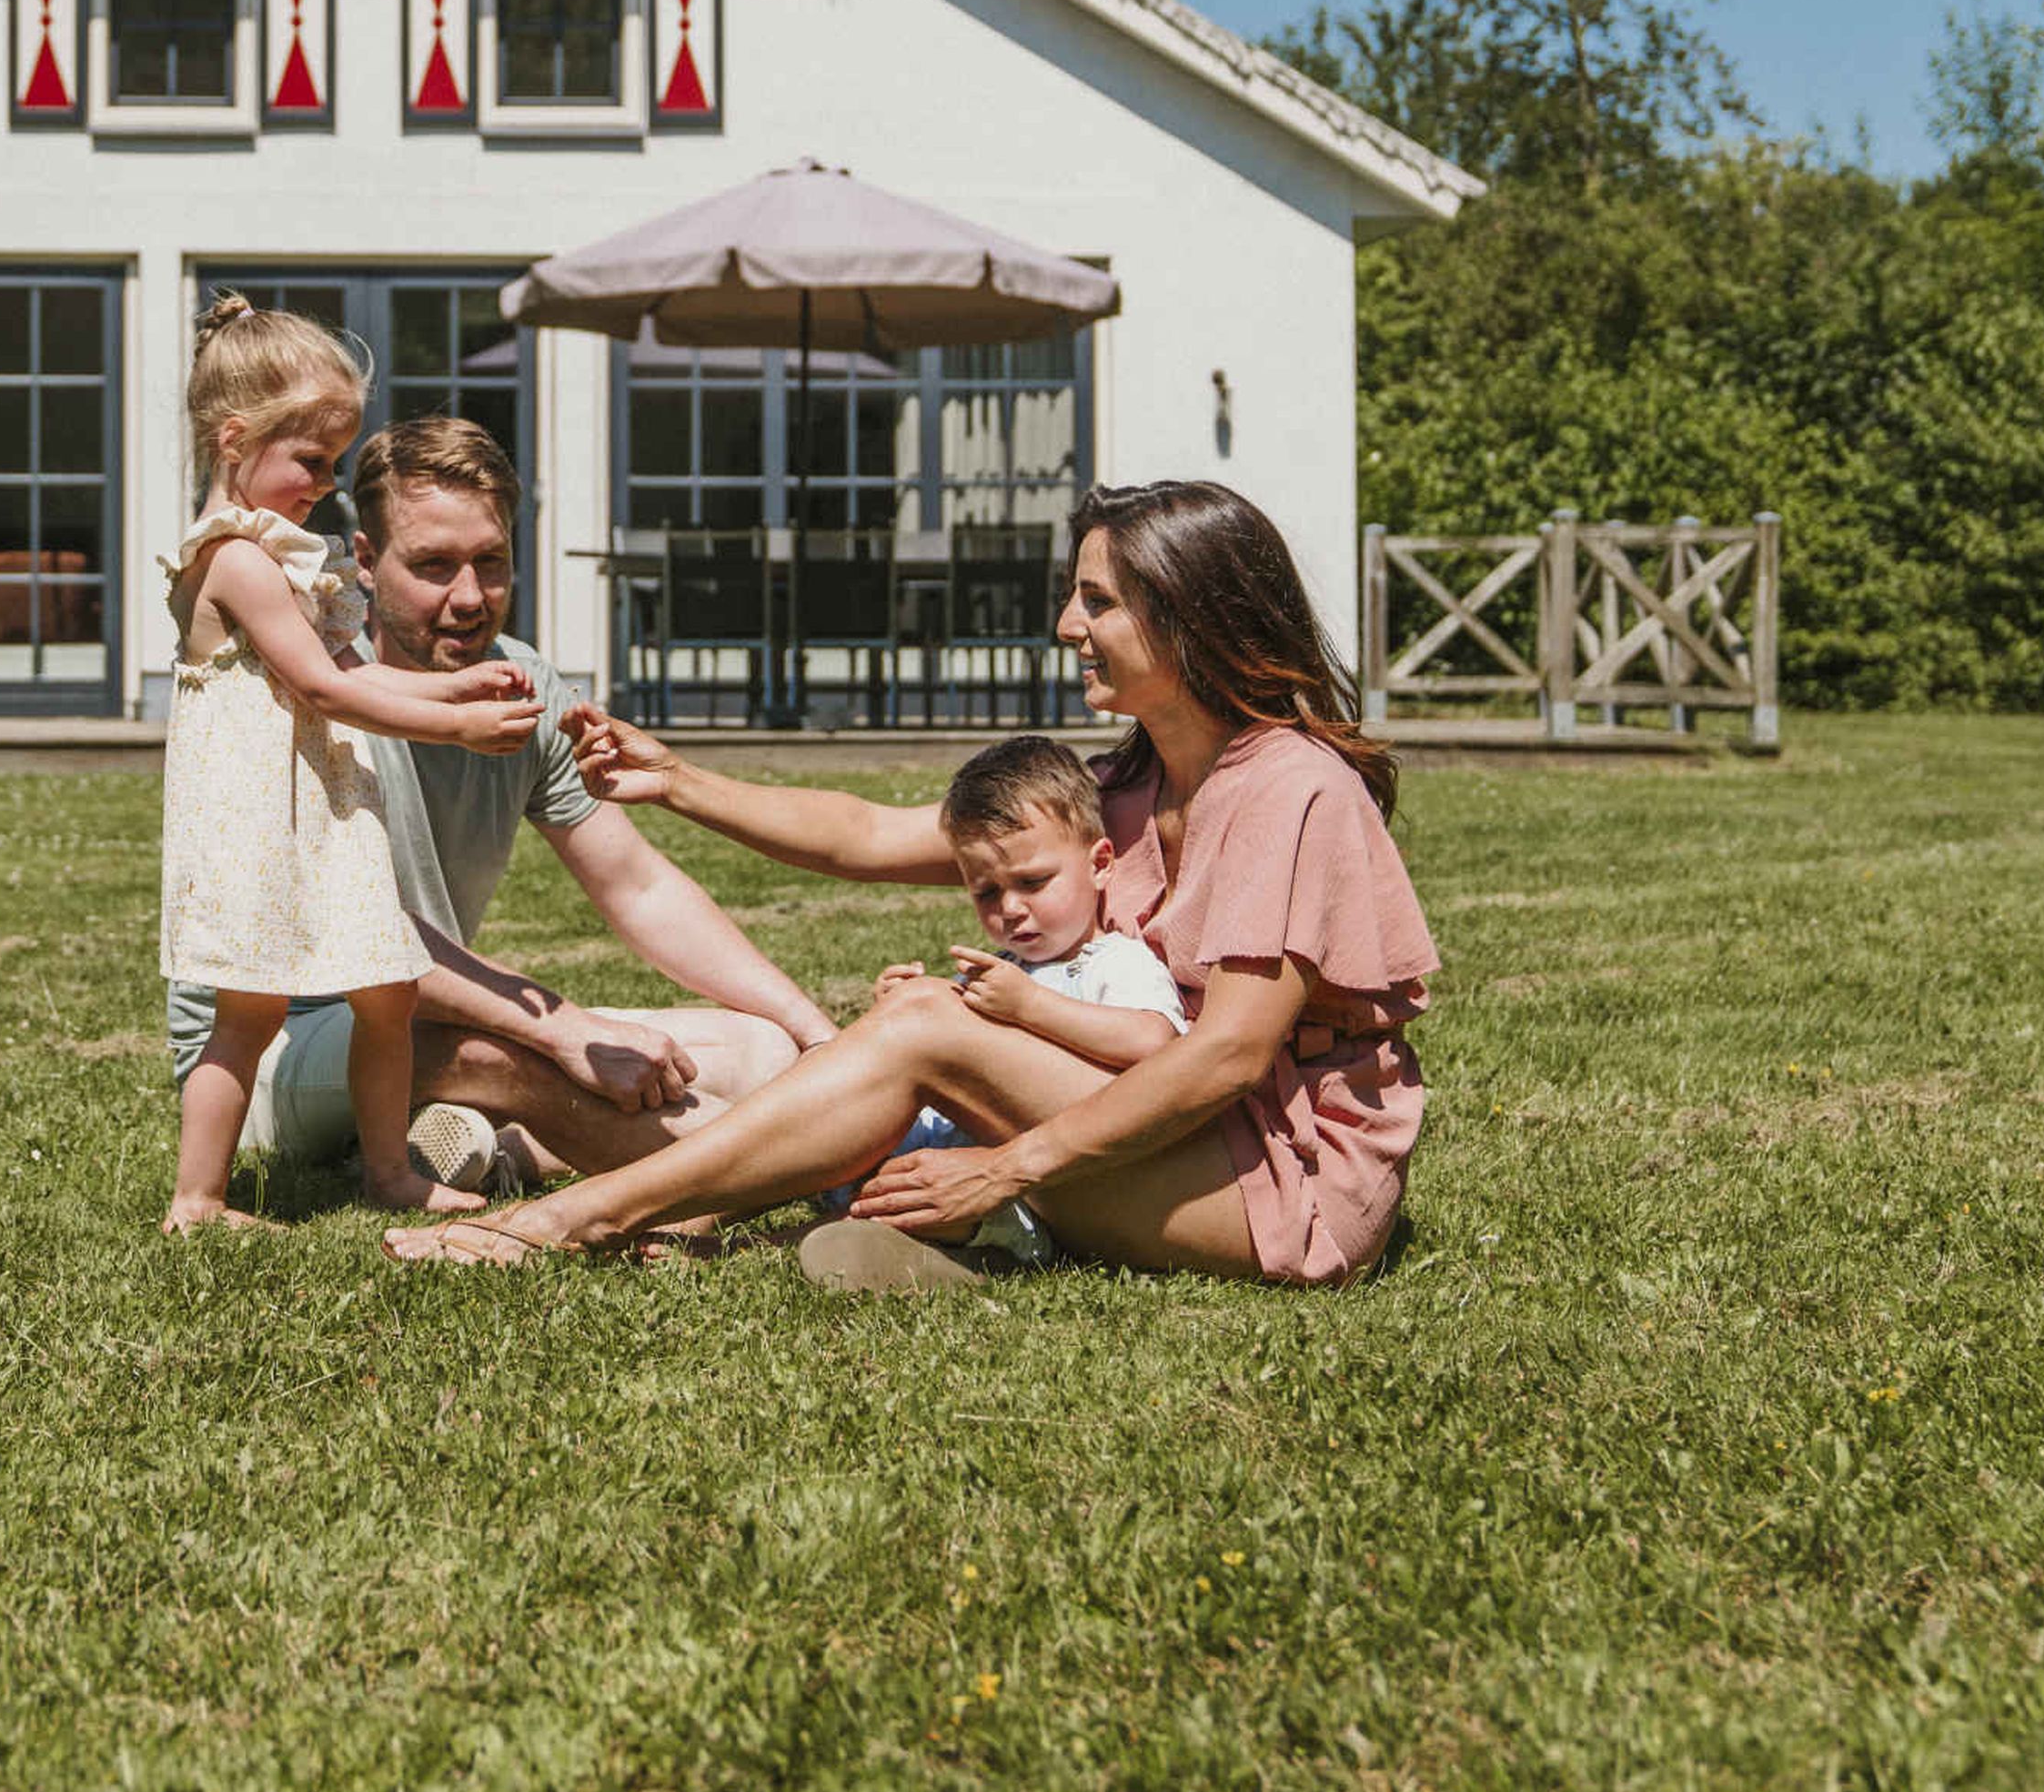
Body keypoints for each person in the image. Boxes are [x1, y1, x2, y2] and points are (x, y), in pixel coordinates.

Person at [382, 478, 1437, 1287]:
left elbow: (1227, 1056)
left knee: (929, 1023)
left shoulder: (1288, 787)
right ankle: (882, 1230)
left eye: (1098, 602)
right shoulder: (1126, 785)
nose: (1068, 626)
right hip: (1172, 1142)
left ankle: (579, 1217)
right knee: (914, 1024)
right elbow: (867, 835)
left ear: (1188, 616)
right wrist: (677, 781)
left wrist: (1008, 1165)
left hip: (1281, 1187)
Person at [165, 416, 834, 1193]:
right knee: (494, 1052)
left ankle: (489, 1147)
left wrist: (817, 1036)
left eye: (491, 563)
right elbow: (371, 930)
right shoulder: (316, 691)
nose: (469, 597)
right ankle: (780, 1170)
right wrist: (566, 1029)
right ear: (366, 563)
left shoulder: (524, 686)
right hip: (273, 1050)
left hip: (419, 1018)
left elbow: (638, 886)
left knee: (762, 1051)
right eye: (434, 565)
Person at [158, 301, 539, 1233]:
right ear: (236, 439)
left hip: (319, 813)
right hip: (262, 824)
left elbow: (355, 673)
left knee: (390, 992)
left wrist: (457, 688)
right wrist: (457, 727)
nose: (326, 485)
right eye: (313, 461)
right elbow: (325, 690)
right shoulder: (236, 561)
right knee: (249, 1013)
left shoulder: (280, 557)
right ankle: (197, 1199)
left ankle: (389, 1172)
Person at [839, 734, 1188, 1265]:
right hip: (953, 1152)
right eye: (987, 892)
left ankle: (964, 1241)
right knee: (850, 1113)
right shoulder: (1007, 969)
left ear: (1099, 864)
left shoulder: (1116, 961)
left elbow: (1153, 1041)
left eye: (1033, 882)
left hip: (1032, 1186)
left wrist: (1029, 1006)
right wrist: (903, 1003)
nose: (1011, 908)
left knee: (907, 1198)